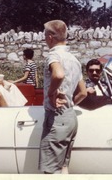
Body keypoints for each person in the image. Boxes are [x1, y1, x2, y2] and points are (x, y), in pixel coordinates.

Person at [39, 20, 87, 174]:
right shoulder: (74, 59)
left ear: (51, 37)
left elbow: (58, 74)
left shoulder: (53, 55)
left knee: (51, 171)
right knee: (63, 167)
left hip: (56, 118)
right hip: (70, 117)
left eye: (45, 35)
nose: (45, 39)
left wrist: (52, 93)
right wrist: (69, 102)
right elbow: (83, 93)